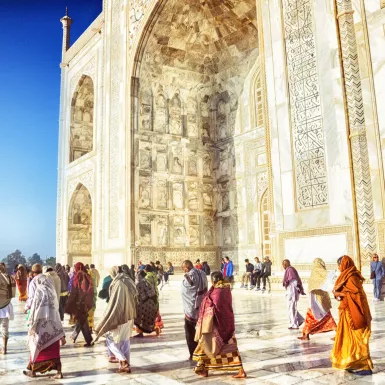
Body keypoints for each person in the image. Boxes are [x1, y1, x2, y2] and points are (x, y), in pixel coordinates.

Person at [193, 271, 246, 379]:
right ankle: (204, 368)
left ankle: (204, 368)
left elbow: (214, 305)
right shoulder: (224, 289)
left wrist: (206, 301)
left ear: (213, 281)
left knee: (209, 345)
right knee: (222, 347)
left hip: (217, 324)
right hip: (224, 322)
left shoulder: (218, 291)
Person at [331, 255, 373, 375]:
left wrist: (339, 293)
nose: (338, 267)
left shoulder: (352, 277)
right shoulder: (346, 275)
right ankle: (352, 362)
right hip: (347, 311)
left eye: (339, 265)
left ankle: (366, 367)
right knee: (349, 339)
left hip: (356, 312)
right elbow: (348, 292)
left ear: (344, 264)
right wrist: (339, 293)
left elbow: (356, 296)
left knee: (359, 338)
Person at [95, 266, 138, 373]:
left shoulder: (118, 283)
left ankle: (123, 361)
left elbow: (115, 304)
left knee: (110, 340)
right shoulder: (128, 280)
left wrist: (107, 319)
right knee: (125, 340)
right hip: (130, 314)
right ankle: (125, 365)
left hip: (121, 316)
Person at [23, 273, 66, 379]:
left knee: (35, 345)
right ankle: (59, 372)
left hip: (40, 324)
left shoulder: (39, 291)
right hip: (53, 323)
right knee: (54, 350)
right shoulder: (51, 291)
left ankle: (33, 371)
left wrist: (31, 322)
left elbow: (34, 309)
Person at [298, 258, 337, 341]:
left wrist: (333, 273)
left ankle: (338, 332)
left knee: (315, 315)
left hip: (316, 299)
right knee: (321, 315)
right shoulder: (319, 271)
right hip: (318, 297)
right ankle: (306, 334)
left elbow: (327, 276)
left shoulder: (317, 270)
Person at [181, 260, 208, 360]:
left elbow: (186, 291)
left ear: (186, 268)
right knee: (201, 330)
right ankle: (203, 350)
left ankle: (193, 352)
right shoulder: (202, 273)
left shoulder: (189, 276)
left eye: (184, 269)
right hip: (203, 306)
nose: (184, 272)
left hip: (191, 308)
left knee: (190, 332)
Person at [65, 262, 94, 347]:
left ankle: (88, 340)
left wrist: (72, 302)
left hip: (80, 303)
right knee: (81, 319)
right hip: (84, 302)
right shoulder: (86, 275)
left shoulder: (80, 276)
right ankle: (75, 336)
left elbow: (79, 290)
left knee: (82, 319)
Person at [134, 270, 158, 338]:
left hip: (143, 304)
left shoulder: (138, 284)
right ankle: (154, 329)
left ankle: (140, 333)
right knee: (145, 320)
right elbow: (152, 294)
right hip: (150, 304)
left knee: (139, 318)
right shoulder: (146, 282)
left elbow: (137, 295)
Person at [282, 259, 305, 329]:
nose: (283, 265)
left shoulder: (290, 270)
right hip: (290, 292)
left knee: (292, 308)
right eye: (283, 264)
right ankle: (300, 319)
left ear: (287, 264)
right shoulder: (288, 270)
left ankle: (294, 324)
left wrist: (293, 293)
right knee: (290, 308)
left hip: (292, 293)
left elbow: (294, 283)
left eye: (284, 264)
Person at [144, 265, 163, 335]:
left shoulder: (147, 277)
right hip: (156, 293)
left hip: (150, 295)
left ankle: (153, 327)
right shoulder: (154, 275)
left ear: (146, 270)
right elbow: (158, 282)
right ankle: (158, 326)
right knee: (156, 310)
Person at [0, 263, 15, 354]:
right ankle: (4, 348)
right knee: (5, 328)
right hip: (5, 306)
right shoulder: (9, 278)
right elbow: (12, 293)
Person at [88, 264, 100, 332]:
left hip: (90, 290)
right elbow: (98, 279)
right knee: (93, 307)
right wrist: (97, 285)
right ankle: (91, 325)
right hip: (95, 289)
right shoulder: (97, 272)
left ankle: (90, 325)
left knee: (90, 310)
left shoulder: (89, 272)